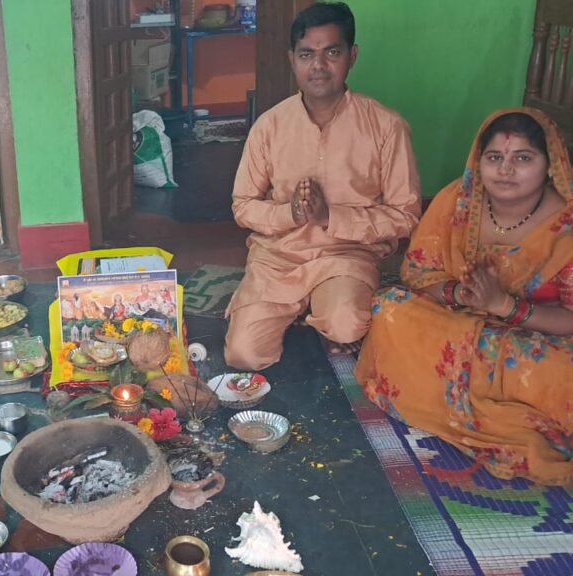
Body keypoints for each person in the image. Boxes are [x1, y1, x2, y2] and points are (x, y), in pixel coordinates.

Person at [356, 109, 573, 485]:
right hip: (457, 319)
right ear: (479, 160)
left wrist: (505, 306)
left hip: (538, 340)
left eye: (523, 158)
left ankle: (456, 394)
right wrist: (460, 292)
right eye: (495, 157)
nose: (505, 170)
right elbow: (419, 275)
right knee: (389, 308)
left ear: (549, 164)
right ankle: (482, 400)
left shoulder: (566, 225)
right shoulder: (458, 200)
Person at [224, 1, 421, 370]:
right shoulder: (269, 126)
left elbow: (405, 215)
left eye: (332, 52)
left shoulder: (386, 126)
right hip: (279, 257)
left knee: (345, 326)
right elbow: (243, 205)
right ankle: (305, 308)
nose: (318, 65)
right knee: (243, 354)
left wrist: (331, 217)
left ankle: (323, 310)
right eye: (306, 54)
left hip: (347, 255)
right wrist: (291, 213)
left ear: (352, 55)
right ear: (292, 60)